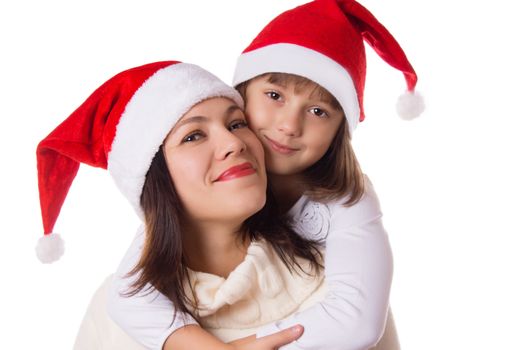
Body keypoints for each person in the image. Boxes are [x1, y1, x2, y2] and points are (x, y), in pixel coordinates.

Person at [106, 1, 423, 349]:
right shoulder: (217, 181)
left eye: (318, 111)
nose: (289, 126)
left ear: (338, 132)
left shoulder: (348, 197)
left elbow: (356, 320)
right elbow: (128, 292)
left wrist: (244, 345)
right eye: (274, 95)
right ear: (241, 96)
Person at [35, 61, 316, 350]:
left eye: (237, 124)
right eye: (193, 136)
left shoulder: (341, 270)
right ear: (152, 178)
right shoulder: (114, 315)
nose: (233, 142)